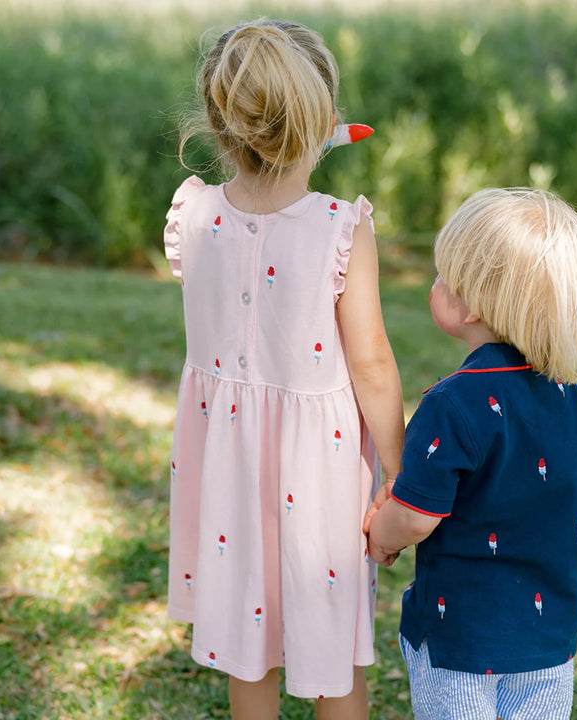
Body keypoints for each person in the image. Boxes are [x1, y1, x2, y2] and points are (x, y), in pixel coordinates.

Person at [163, 19, 405, 720]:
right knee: (331, 652)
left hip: (227, 471)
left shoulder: (195, 214)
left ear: (218, 121)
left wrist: (286, 140)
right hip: (319, 474)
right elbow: (373, 362)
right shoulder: (340, 228)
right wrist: (397, 469)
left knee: (249, 642)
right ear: (323, 121)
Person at [367, 188, 577, 720]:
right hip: (548, 644)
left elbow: (412, 517)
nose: (433, 284)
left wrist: (380, 537)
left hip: (460, 641)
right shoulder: (571, 398)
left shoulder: (452, 403)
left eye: (441, 275)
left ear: (470, 303)